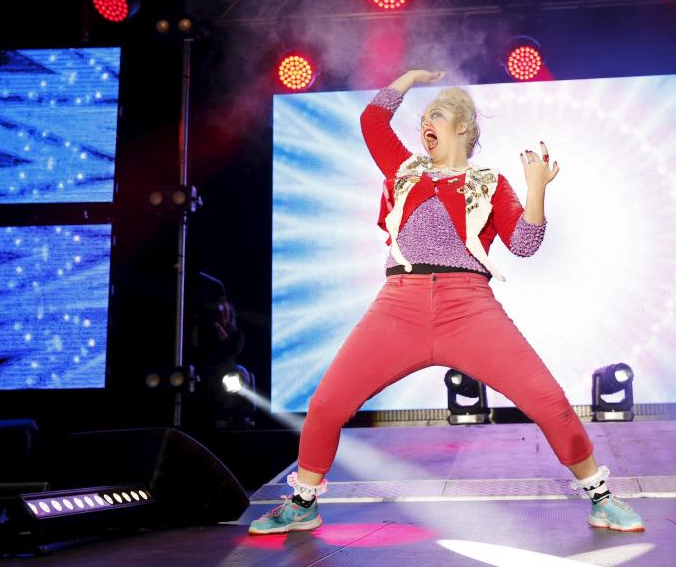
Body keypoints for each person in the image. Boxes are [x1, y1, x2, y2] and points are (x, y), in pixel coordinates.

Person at [249, 69, 645, 535]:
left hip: (468, 306)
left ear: (462, 126)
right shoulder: (405, 169)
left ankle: (601, 499)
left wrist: (537, 189)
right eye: (422, 120)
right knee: (326, 405)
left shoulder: (489, 183)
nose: (424, 125)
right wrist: (412, 78)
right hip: (399, 306)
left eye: (434, 115)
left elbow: (524, 244)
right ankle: (303, 504)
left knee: (548, 401)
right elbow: (373, 120)